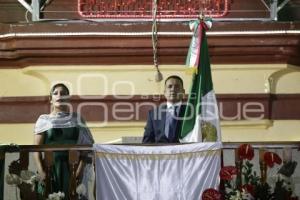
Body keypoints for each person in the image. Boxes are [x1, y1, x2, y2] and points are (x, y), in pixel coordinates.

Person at [33, 83, 94, 199]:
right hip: (51, 168)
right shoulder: (43, 120)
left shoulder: (77, 119)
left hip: (73, 168)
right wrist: (41, 171)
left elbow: (86, 148)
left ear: (68, 99)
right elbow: (36, 150)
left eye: (63, 93)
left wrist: (80, 170)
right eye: (55, 93)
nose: (59, 96)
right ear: (51, 99)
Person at [142, 75, 186, 143]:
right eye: (169, 86)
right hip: (160, 152)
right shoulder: (154, 114)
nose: (173, 89)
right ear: (165, 92)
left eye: (177, 86)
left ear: (183, 92)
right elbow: (147, 141)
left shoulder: (191, 112)